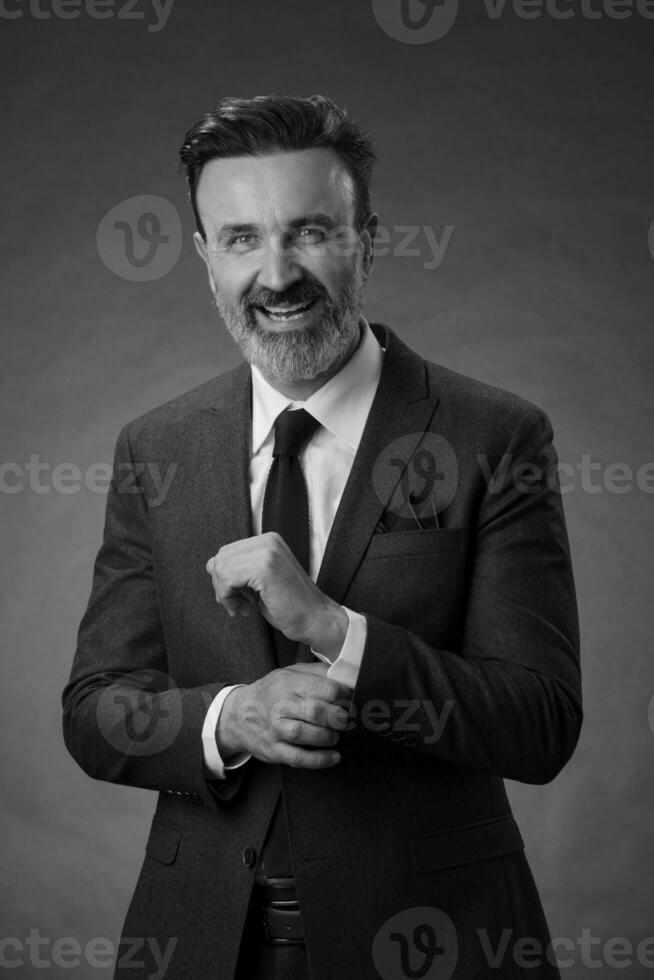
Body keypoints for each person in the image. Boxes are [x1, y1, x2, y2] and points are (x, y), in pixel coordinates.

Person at [63, 94, 582, 980]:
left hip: (436, 942)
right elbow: (96, 711)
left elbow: (539, 724)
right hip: (198, 943)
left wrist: (337, 633)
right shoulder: (156, 448)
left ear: (367, 240)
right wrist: (232, 718)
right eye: (241, 239)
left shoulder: (494, 435)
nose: (276, 275)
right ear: (202, 257)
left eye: (310, 232)